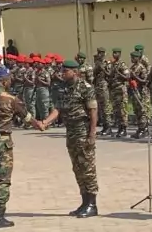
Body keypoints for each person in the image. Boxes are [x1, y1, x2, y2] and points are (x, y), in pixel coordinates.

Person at [0, 66, 43, 227]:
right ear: (4, 81)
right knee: (2, 181)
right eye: (9, 79)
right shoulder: (11, 99)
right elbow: (27, 118)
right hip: (3, 142)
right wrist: (40, 125)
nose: (11, 81)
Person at [40, 59, 99, 218]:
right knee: (77, 168)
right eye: (62, 71)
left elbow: (93, 112)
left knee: (87, 168)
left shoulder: (86, 88)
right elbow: (58, 109)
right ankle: (84, 202)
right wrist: (45, 122)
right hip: (71, 131)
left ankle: (92, 204)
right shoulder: (63, 88)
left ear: (75, 72)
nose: (63, 73)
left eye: (66, 71)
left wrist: (92, 134)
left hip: (83, 130)